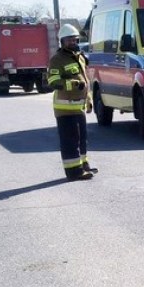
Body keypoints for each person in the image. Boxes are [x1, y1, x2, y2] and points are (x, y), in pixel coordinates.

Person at [47, 24, 97, 181]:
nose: (73, 42)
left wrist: (88, 100)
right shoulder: (57, 60)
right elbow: (53, 81)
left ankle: (82, 165)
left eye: (75, 39)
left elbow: (86, 81)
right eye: (69, 40)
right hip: (65, 108)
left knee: (82, 139)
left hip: (78, 107)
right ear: (62, 41)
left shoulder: (79, 57)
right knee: (70, 141)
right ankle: (73, 172)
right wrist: (73, 84)